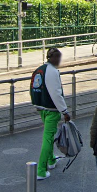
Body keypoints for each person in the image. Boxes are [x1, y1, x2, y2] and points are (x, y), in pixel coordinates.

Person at [30, 48, 70, 180]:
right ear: (51, 58)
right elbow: (56, 93)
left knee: (49, 135)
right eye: (57, 57)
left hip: (42, 108)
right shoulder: (52, 71)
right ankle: (41, 170)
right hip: (52, 109)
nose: (59, 60)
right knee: (48, 138)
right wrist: (64, 111)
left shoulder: (39, 69)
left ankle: (51, 160)